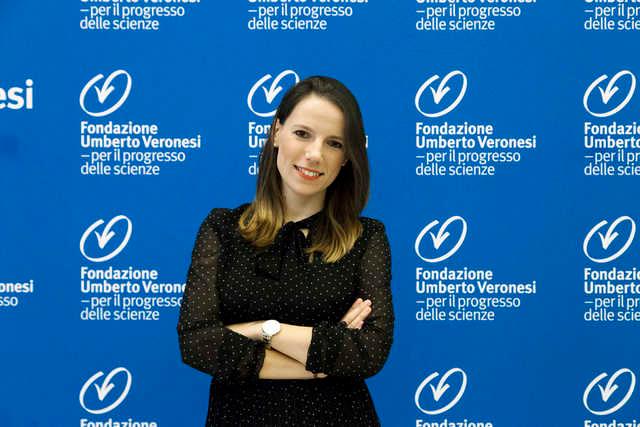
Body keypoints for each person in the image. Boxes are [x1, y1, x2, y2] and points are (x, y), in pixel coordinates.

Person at [177, 76, 394, 426]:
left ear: (346, 158)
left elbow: (368, 352)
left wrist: (263, 330)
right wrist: (318, 359)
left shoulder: (366, 237)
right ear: (277, 132)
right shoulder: (222, 229)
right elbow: (196, 342)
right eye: (303, 133)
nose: (315, 154)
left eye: (334, 143)